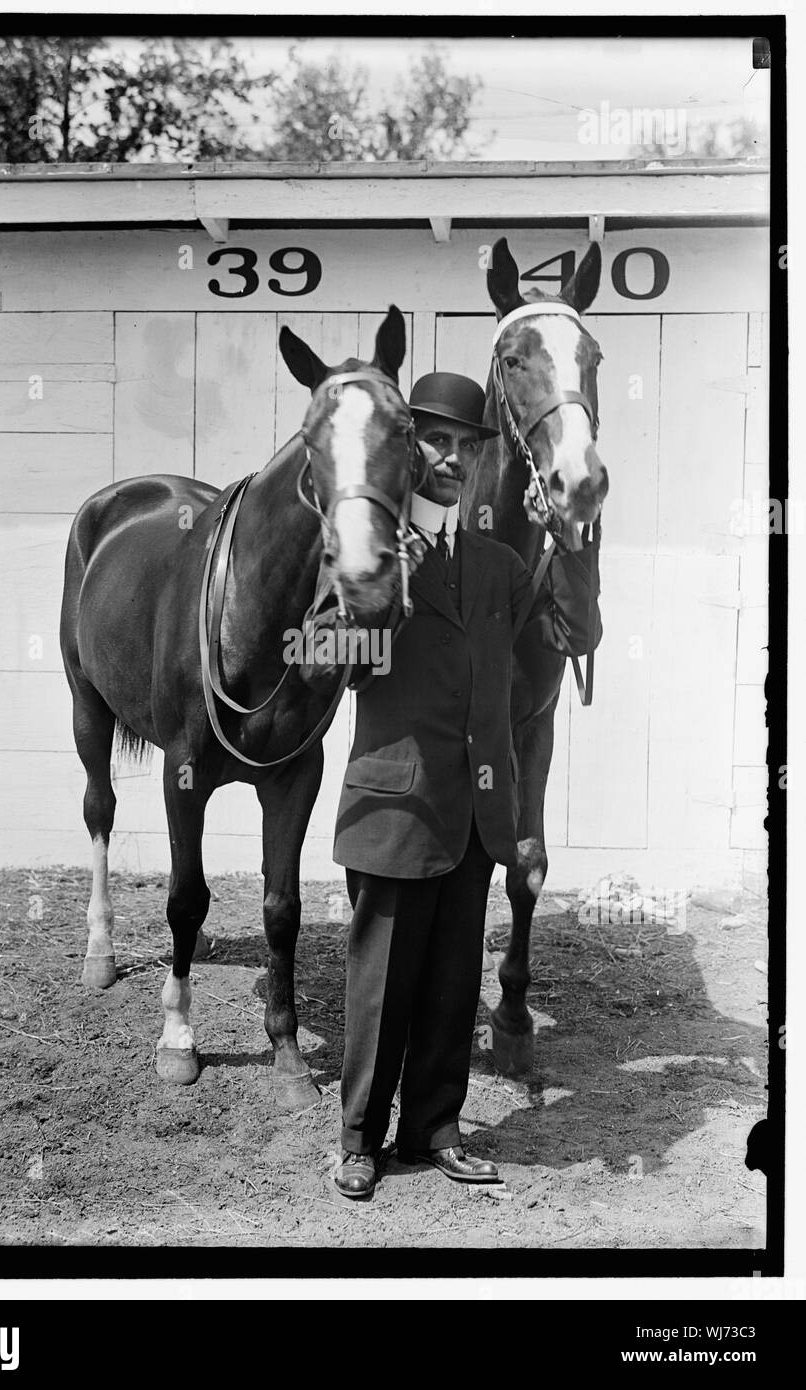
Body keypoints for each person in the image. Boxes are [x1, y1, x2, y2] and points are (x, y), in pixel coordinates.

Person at [309, 370, 602, 1200]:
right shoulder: (362, 548)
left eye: (464, 445)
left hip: (476, 815)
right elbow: (324, 658)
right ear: (406, 449)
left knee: (448, 989)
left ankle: (435, 1125)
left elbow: (575, 628)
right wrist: (377, 592)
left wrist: (574, 543)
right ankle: (360, 1138)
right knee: (380, 989)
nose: (447, 456)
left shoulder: (501, 564)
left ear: (478, 461)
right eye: (432, 439)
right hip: (394, 811)